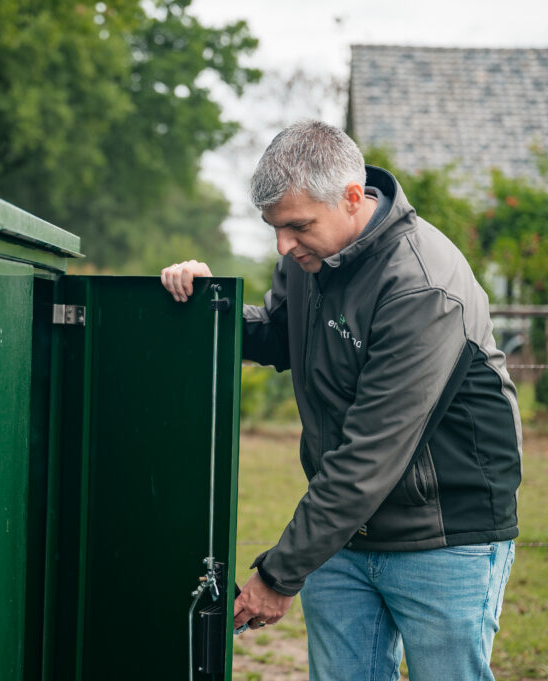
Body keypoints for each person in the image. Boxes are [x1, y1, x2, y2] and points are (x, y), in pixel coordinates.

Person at [162, 120, 521, 681]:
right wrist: (213, 304)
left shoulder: (420, 284)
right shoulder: (310, 257)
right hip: (345, 535)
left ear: (353, 198)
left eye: (297, 226)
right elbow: (281, 334)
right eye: (274, 228)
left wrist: (278, 576)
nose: (283, 245)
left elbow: (371, 455)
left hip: (445, 536)